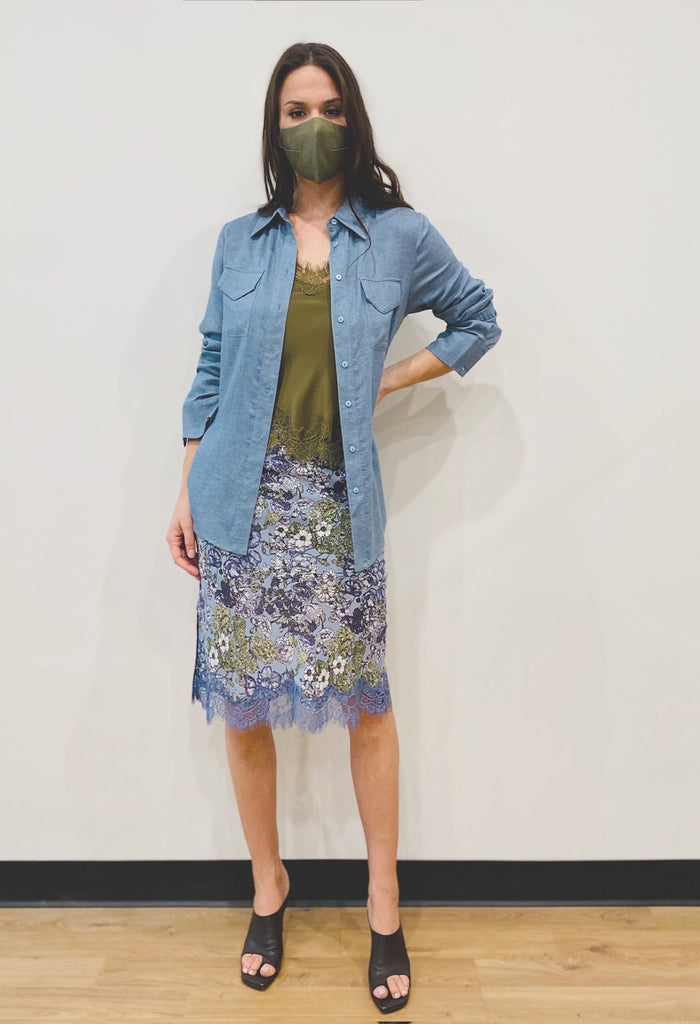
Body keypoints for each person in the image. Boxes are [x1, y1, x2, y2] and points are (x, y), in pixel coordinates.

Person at [166, 41, 502, 1015]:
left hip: (336, 507)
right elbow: (210, 370)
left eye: (326, 107)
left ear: (351, 117)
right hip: (236, 500)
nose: (311, 125)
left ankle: (382, 902)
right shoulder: (240, 243)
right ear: (274, 130)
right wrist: (185, 489)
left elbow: (476, 319)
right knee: (243, 705)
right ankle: (268, 885)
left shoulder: (398, 237)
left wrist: (386, 381)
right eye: (293, 111)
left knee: (366, 704)